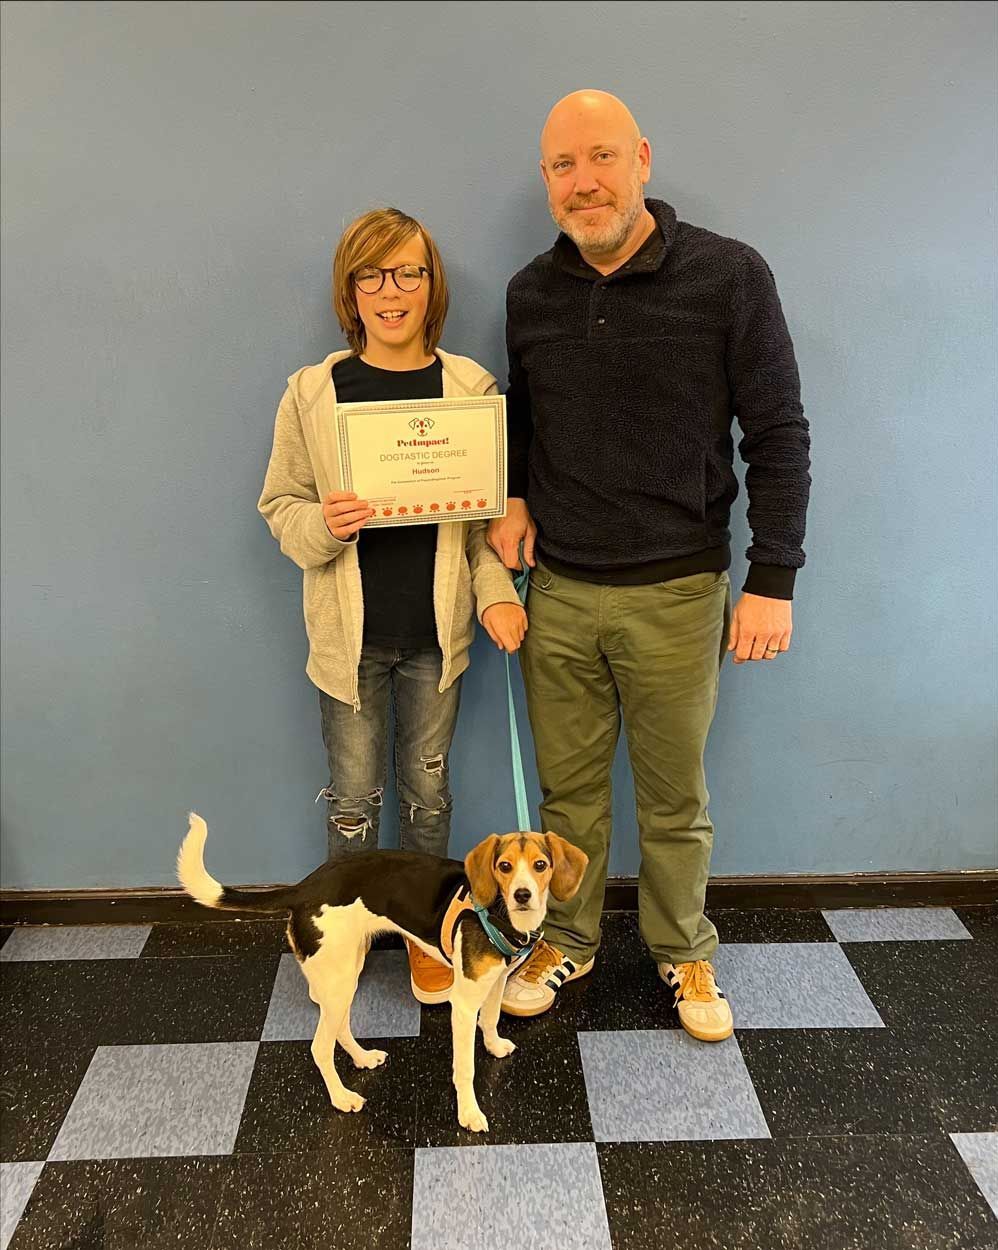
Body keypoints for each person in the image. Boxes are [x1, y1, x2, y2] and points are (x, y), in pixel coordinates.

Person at [488, 91, 811, 1041]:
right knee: (567, 802)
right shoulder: (529, 293)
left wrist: (773, 579)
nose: (582, 182)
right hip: (560, 595)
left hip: (679, 592)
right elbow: (523, 416)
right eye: (561, 167)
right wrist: (511, 496)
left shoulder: (728, 274)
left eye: (599, 158)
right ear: (545, 181)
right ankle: (567, 940)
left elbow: (780, 434)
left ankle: (683, 952)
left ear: (641, 160)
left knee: (676, 800)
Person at [259, 207, 527, 1003]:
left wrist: (497, 599)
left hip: (436, 641)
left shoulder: (470, 388)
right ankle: (338, 933)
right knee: (350, 799)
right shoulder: (313, 392)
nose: (390, 290)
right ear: (350, 291)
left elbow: (483, 529)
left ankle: (424, 932)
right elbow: (281, 506)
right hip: (348, 643)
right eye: (370, 275)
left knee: (428, 796)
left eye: (407, 272)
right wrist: (322, 524)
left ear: (430, 285)